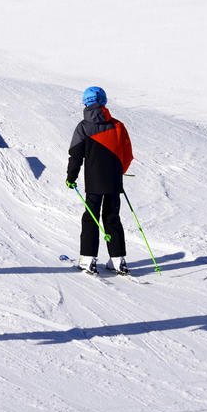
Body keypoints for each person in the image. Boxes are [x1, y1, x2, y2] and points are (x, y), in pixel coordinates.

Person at [66, 86, 134, 275]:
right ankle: (118, 261)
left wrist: (71, 177)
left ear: (85, 102)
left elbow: (75, 156)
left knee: (91, 218)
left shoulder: (83, 127)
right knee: (112, 217)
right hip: (113, 182)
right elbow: (127, 154)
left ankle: (88, 260)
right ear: (104, 101)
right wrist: (119, 171)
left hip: (94, 183)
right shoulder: (117, 125)